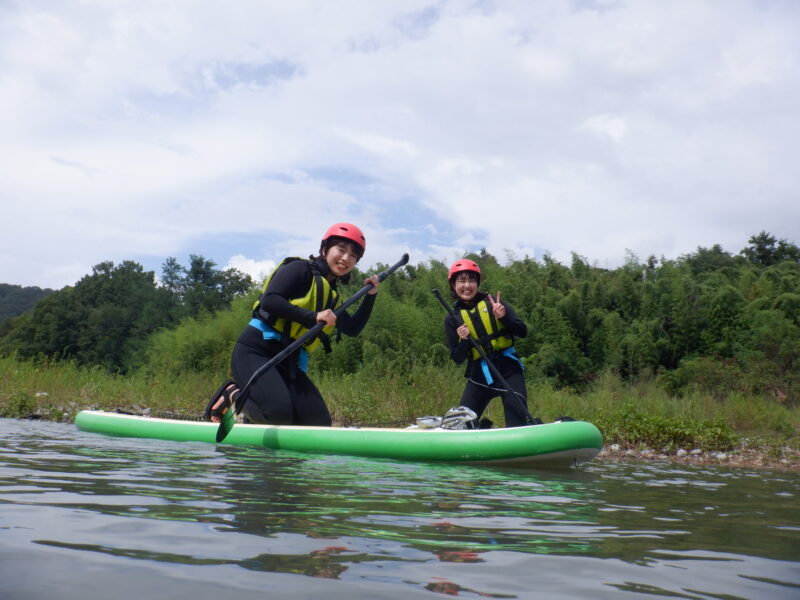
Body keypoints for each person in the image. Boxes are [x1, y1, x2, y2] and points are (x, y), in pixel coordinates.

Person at [206, 223, 379, 426]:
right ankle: (232, 394)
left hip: (288, 361)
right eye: (341, 250)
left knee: (318, 422)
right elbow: (270, 300)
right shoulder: (300, 269)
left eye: (353, 256)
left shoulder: (330, 295)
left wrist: (370, 296)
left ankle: (256, 422)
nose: (346, 259)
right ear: (325, 249)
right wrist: (312, 317)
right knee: (278, 413)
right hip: (256, 350)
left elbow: (352, 328)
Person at [443, 259, 537, 428]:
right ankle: (480, 434)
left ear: (477, 283)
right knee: (463, 424)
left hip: (509, 371)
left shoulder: (494, 302)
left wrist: (504, 317)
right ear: (453, 285)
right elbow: (457, 358)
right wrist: (464, 340)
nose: (467, 286)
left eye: (471, 280)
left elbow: (523, 331)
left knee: (516, 421)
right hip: (479, 375)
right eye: (461, 281)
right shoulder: (452, 318)